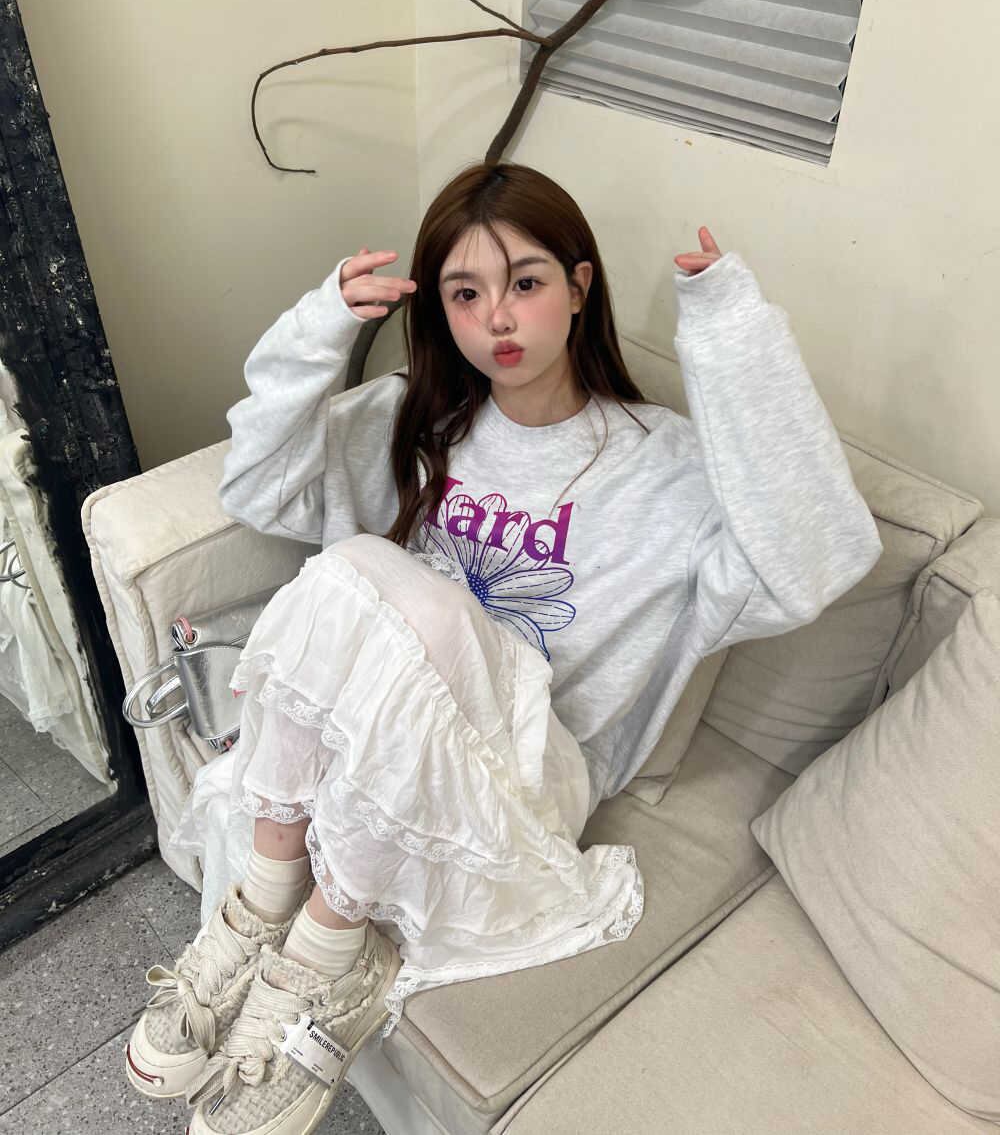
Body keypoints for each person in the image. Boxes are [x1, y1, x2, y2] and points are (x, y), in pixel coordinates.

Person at [125, 160, 883, 1133]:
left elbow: (816, 558)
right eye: (465, 293)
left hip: (534, 778)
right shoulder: (422, 424)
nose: (497, 319)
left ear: (579, 286)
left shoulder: (665, 469)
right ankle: (265, 908)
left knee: (375, 571)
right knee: (357, 573)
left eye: (525, 282)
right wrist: (320, 327)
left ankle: (324, 956)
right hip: (399, 756)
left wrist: (732, 332)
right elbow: (258, 485)